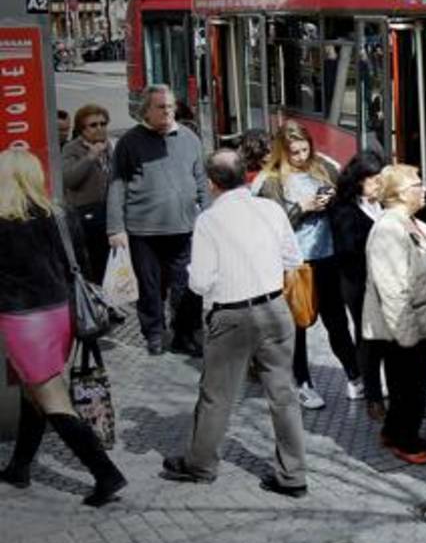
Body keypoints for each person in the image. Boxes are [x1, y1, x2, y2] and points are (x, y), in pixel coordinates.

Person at [160, 149, 309, 498]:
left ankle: (200, 465)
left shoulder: (209, 221)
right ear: (245, 174)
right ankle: (293, 475)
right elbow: (293, 258)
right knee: (283, 395)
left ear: (211, 184)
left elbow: (199, 283)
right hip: (275, 309)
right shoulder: (271, 209)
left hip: (231, 316)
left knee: (216, 395)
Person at [0, 150, 127, 507]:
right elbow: (82, 265)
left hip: (24, 321)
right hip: (61, 314)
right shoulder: (59, 214)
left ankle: (106, 475)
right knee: (32, 390)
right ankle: (20, 467)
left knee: (52, 397)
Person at [256, 122, 361, 409]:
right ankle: (302, 382)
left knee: (337, 321)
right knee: (298, 324)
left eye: (305, 150)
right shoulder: (272, 181)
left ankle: (355, 375)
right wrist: (301, 208)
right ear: (282, 152)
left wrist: (332, 200)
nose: (301, 156)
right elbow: (271, 226)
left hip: (328, 256)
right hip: (295, 263)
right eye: (294, 153)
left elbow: (347, 199)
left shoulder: (323, 168)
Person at [106, 84, 207, 356]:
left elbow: (200, 181)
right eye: (161, 107)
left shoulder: (190, 138)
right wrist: (115, 227)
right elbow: (117, 185)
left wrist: (208, 220)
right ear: (146, 111)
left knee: (186, 287)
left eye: (171, 106)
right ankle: (154, 334)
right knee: (149, 288)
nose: (167, 111)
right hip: (143, 230)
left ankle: (184, 334)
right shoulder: (129, 142)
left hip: (184, 226)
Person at [361, 164, 426, 465]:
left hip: (418, 323)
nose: (423, 188)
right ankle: (406, 440)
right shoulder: (389, 229)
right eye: (416, 184)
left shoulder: (408, 221)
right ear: (399, 194)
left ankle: (394, 430)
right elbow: (392, 289)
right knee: (409, 387)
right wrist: (408, 335)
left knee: (406, 384)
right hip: (404, 327)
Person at [328, 150, 386, 403]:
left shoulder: (385, 202)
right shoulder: (343, 208)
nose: (379, 185)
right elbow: (348, 248)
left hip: (385, 281)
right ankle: (371, 392)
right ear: (359, 180)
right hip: (358, 282)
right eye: (373, 180)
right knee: (368, 337)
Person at [61, 104, 114, 284]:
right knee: (93, 262)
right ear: (82, 129)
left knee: (110, 262)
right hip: (85, 213)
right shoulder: (71, 148)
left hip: (108, 210)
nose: (100, 128)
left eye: (103, 123)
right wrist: (90, 157)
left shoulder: (108, 146)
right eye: (93, 125)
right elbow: (69, 180)